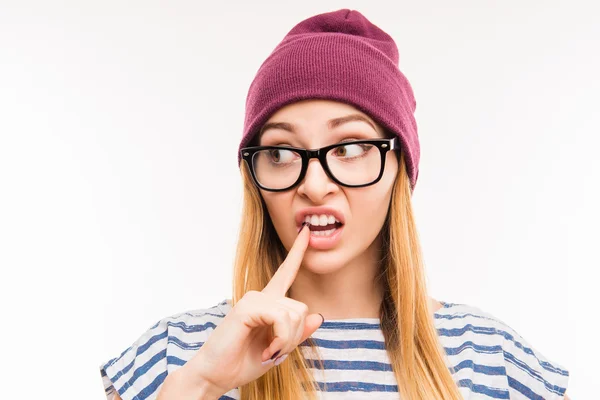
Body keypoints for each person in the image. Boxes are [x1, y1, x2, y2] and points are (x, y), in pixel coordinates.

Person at [99, 9, 571, 400]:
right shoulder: (174, 356)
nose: (316, 184)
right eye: (282, 154)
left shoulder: (493, 361)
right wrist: (200, 383)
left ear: (398, 168)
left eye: (348, 148)